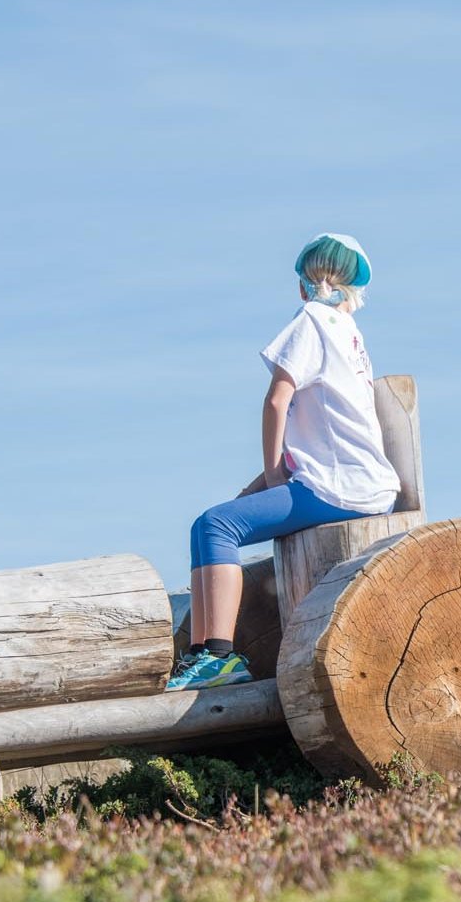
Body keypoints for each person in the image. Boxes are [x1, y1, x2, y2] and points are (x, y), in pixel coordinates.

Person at [169, 233, 400, 690]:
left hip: (338, 489)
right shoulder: (350, 338)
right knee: (210, 523)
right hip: (361, 485)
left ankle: (217, 656)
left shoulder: (311, 320)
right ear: (356, 290)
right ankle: (201, 657)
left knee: (216, 527)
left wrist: (275, 475)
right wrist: (261, 485)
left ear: (302, 286)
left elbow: (276, 401)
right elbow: (320, 438)